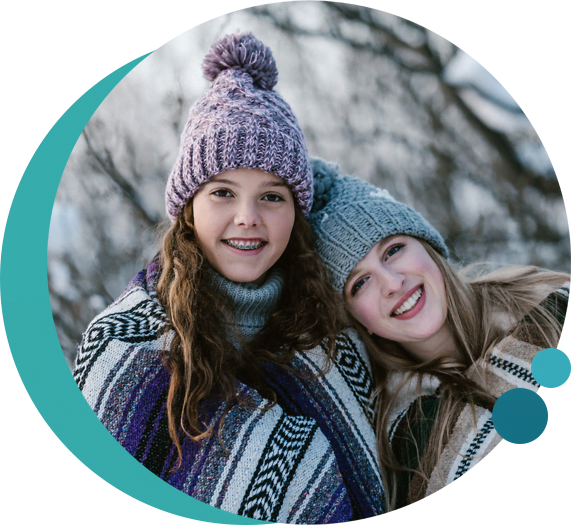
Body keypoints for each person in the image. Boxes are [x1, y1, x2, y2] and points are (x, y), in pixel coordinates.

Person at [73, 34, 386, 524]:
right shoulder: (125, 348)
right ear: (188, 209)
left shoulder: (333, 339)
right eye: (223, 192)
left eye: (272, 196)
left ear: (296, 213)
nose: (248, 217)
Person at [308, 158, 571, 513]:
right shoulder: (409, 443)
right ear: (356, 319)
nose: (391, 283)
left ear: (428, 246)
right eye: (360, 283)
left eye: (393, 250)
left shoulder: (550, 305)